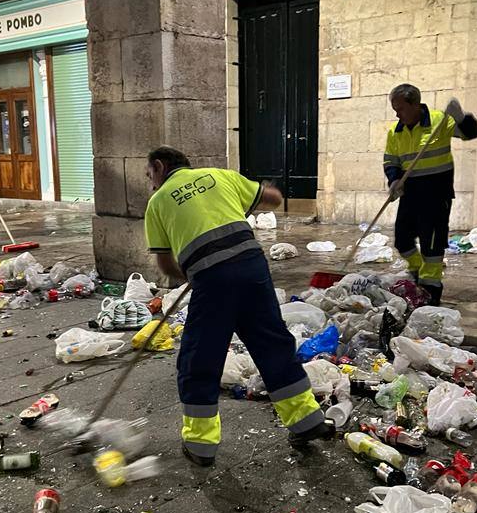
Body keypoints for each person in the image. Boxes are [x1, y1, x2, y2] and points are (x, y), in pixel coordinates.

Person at [143, 146, 334, 466]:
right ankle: (306, 420)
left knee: (199, 356)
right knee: (272, 342)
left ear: (160, 167)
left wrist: (194, 273)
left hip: (212, 281)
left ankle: (201, 444)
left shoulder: (158, 202)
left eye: (150, 176)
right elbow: (272, 198)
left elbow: (165, 265)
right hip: (252, 268)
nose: (151, 184)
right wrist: (238, 200)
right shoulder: (220, 176)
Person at [383, 85, 477, 306]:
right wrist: (395, 180)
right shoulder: (395, 131)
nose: (397, 114)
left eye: (400, 109)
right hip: (410, 194)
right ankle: (419, 272)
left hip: (436, 195)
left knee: (432, 246)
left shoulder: (439, 121)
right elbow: (391, 160)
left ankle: (431, 290)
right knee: (402, 240)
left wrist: (462, 117)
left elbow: (471, 133)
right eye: (394, 109)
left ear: (415, 104)